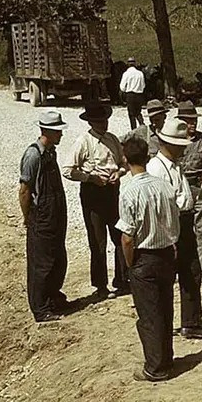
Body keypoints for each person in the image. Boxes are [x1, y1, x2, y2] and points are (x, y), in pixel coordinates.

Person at [116, 136, 179, 382]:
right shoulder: (164, 186)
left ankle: (154, 367)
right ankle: (167, 356)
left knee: (149, 314)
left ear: (125, 159)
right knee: (165, 308)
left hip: (144, 255)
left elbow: (127, 237)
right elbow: (174, 219)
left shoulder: (128, 190)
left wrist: (130, 263)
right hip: (166, 251)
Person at [147, 118, 202, 339]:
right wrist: (171, 237)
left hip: (182, 222)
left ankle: (190, 322)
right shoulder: (157, 169)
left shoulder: (174, 166)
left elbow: (182, 197)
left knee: (191, 272)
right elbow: (163, 206)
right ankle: (172, 325)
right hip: (171, 226)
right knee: (171, 276)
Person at [62, 103, 129, 299]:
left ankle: (122, 280)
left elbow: (123, 162)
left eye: (105, 120)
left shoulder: (112, 139)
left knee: (119, 236)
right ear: (91, 122)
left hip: (112, 191)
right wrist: (90, 178)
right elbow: (68, 170)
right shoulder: (83, 142)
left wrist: (119, 172)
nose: (104, 124)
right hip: (93, 193)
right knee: (98, 241)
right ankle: (101, 285)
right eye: (100, 121)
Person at [19, 111, 68, 322]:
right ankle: (41, 309)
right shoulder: (33, 155)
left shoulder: (51, 152)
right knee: (42, 264)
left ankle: (54, 297)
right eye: (58, 131)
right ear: (47, 131)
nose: (61, 135)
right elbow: (24, 190)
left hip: (56, 213)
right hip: (42, 216)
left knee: (58, 259)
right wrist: (27, 216)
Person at [177, 101, 202, 275]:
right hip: (178, 188)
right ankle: (181, 267)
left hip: (199, 186)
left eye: (194, 120)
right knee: (177, 229)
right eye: (188, 121)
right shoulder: (173, 141)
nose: (192, 124)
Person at [120, 57, 146, 130]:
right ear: (135, 63)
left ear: (127, 64)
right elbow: (143, 85)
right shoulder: (140, 73)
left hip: (130, 95)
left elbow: (122, 87)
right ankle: (142, 126)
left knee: (131, 114)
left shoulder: (126, 74)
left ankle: (133, 129)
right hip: (139, 94)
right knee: (138, 112)